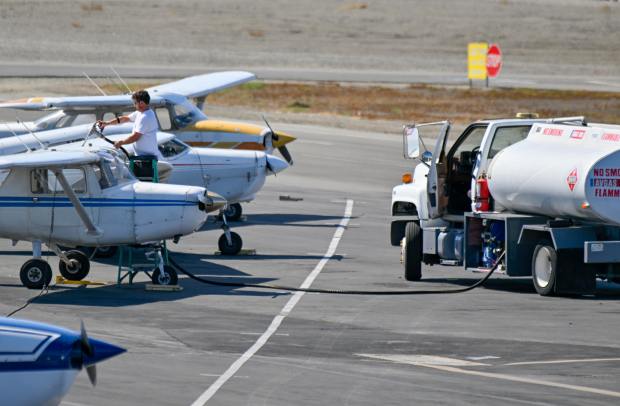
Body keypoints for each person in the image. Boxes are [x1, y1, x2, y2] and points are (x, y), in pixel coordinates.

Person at [97, 90, 161, 158]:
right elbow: (125, 118)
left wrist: (121, 142)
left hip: (147, 158)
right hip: (142, 156)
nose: (134, 105)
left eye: (135, 103)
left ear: (141, 103)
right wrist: (107, 123)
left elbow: (135, 137)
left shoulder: (145, 117)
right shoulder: (140, 113)